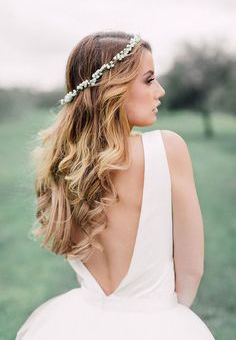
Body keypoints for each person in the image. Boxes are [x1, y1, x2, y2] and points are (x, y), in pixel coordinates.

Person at [16, 31, 215, 339]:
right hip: (157, 320)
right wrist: (170, 321)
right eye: (148, 80)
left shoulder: (63, 166)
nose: (159, 91)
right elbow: (191, 270)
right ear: (114, 87)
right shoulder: (167, 149)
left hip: (77, 326)